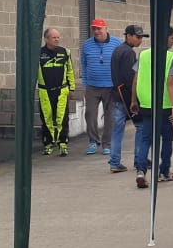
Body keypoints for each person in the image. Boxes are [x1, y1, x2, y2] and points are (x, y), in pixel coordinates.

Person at [131, 28, 173, 188]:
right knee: (167, 139)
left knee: (146, 139)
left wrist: (133, 100)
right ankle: (164, 171)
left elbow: (136, 79)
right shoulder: (172, 57)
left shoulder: (143, 55)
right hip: (164, 105)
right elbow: (170, 83)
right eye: (172, 38)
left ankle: (141, 171)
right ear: (164, 38)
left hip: (145, 104)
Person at [107, 25, 147, 173]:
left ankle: (114, 161)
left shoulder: (118, 50)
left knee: (117, 129)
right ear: (128, 36)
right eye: (138, 37)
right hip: (127, 96)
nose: (140, 40)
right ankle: (139, 159)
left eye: (141, 37)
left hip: (116, 94)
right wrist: (135, 99)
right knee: (141, 127)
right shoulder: (128, 53)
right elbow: (131, 78)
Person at [80, 18, 122, 155]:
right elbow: (84, 66)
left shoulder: (116, 43)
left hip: (111, 87)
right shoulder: (86, 45)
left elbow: (121, 63)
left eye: (99, 28)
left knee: (110, 116)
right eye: (94, 29)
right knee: (90, 114)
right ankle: (93, 141)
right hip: (92, 86)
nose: (96, 31)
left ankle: (107, 144)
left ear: (106, 29)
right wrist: (85, 86)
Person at [37, 28, 75, 156]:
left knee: (62, 118)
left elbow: (70, 70)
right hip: (45, 91)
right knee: (46, 119)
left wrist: (72, 88)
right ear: (46, 39)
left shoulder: (65, 52)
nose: (57, 39)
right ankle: (48, 144)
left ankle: (63, 144)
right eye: (54, 37)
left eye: (58, 37)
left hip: (61, 90)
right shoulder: (38, 53)